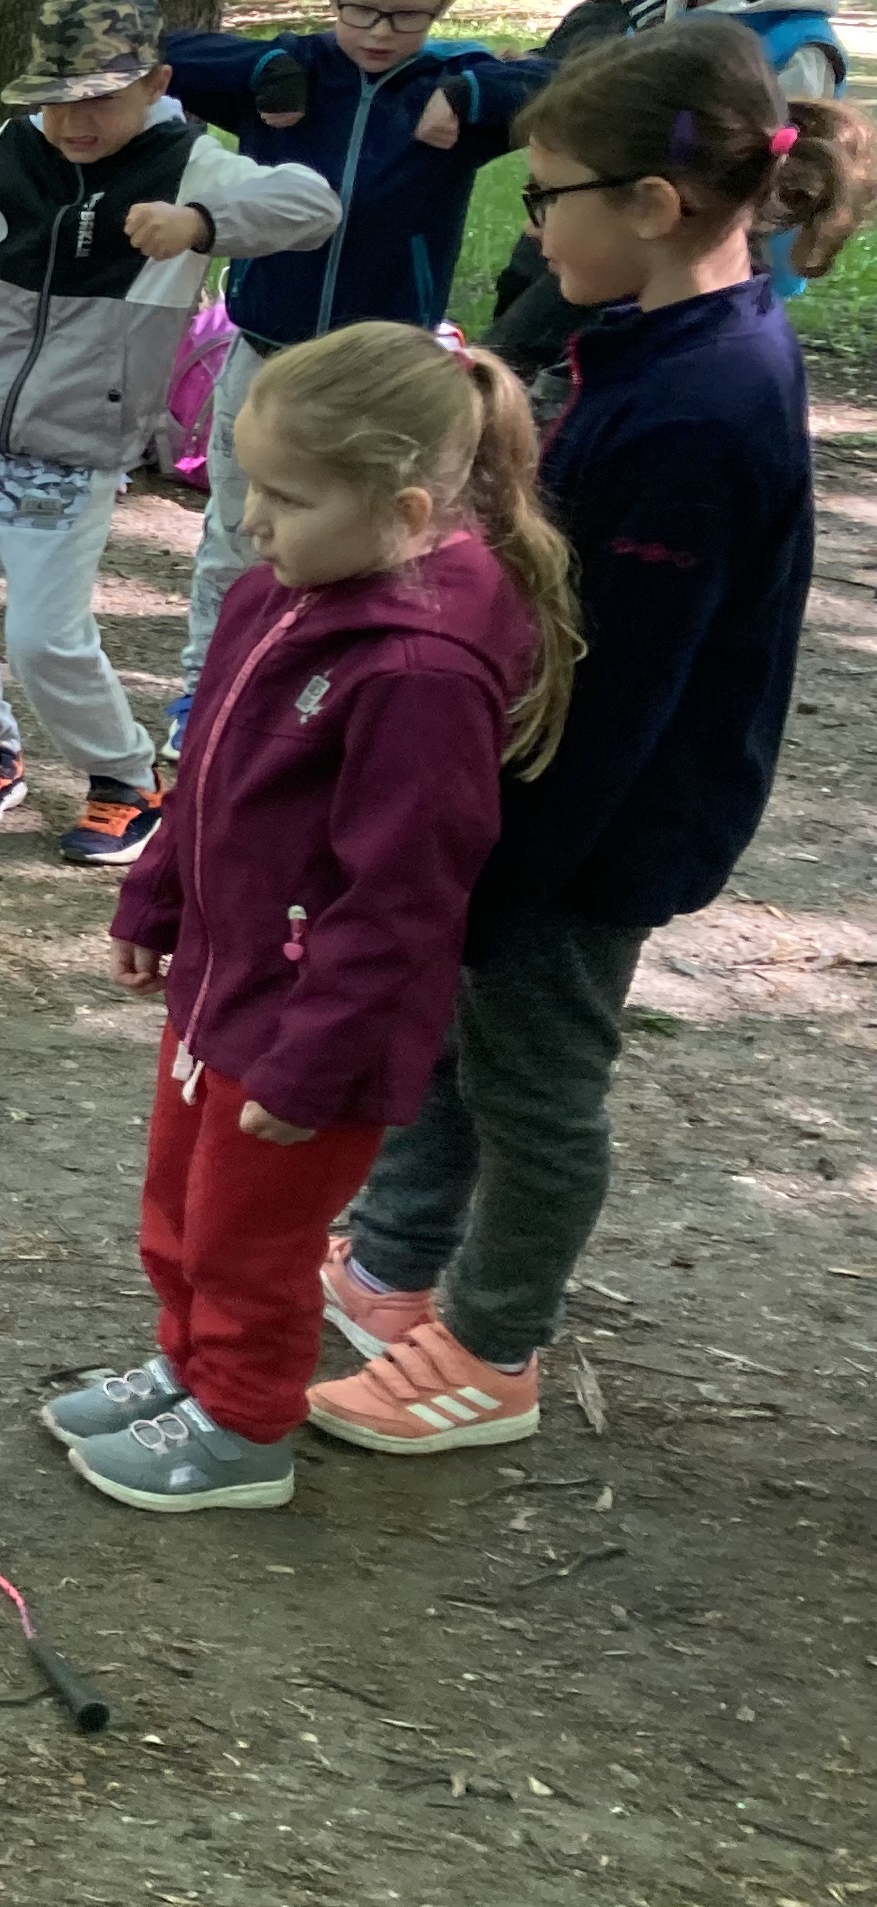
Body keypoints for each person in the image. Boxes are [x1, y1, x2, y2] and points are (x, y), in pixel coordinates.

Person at [303, 24, 873, 1454]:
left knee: (539, 1086)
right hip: (531, 791)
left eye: (549, 195)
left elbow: (627, 688)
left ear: (655, 206)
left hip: (593, 824)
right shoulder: (655, 341)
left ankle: (493, 1348)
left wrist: (504, 865)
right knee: (458, 1036)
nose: (532, 224)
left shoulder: (702, 407)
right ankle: (394, 1265)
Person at [53, 324, 575, 1512]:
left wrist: (316, 1061)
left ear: (403, 513)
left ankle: (243, 1427)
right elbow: (212, 769)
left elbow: (404, 898)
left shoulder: (418, 673)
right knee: (180, 1207)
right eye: (251, 487)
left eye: (287, 501)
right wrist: (157, 889)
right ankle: (190, 1369)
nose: (251, 523)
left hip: (308, 1028)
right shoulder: (285, 593)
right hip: (225, 979)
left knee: (251, 1235)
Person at [0, 0, 344, 866]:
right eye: (56, 100)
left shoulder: (187, 165)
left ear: (155, 84)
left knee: (44, 639)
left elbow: (312, 206)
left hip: (75, 448)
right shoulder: (13, 148)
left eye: (99, 99)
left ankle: (124, 777)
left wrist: (200, 222)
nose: (73, 122)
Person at [160, 0, 557, 739]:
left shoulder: (449, 86)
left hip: (383, 369)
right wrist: (260, 72)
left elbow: (566, 83)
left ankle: (330, 693)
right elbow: (160, 51)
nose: (379, 32)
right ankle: (207, 693)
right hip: (268, 351)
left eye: (407, 17)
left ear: (444, 5)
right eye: (361, 9)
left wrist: (475, 95)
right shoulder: (294, 72)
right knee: (238, 532)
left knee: (374, 535)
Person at [479, 0, 683, 381]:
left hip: (597, 223)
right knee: (515, 336)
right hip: (559, 212)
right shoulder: (604, 25)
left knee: (547, 337)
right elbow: (552, 76)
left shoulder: (679, 29)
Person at [656, 0, 849, 296]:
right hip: (649, 241)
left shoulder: (796, 49)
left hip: (728, 274)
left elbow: (785, 179)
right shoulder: (670, 8)